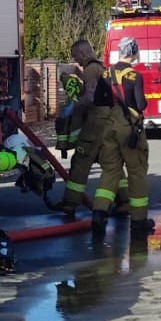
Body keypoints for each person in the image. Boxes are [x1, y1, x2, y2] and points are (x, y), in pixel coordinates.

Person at [49, 40, 121, 220]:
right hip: (109, 121)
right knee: (110, 162)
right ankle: (125, 201)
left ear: (82, 53)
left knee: (81, 161)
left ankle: (70, 203)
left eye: (75, 56)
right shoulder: (101, 68)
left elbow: (89, 97)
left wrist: (73, 108)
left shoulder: (90, 70)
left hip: (95, 123)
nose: (76, 60)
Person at [93, 37, 154, 236]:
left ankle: (99, 213)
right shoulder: (134, 76)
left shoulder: (106, 73)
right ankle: (139, 220)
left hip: (110, 126)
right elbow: (140, 104)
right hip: (129, 128)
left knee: (110, 170)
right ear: (133, 52)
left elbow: (98, 100)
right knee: (136, 172)